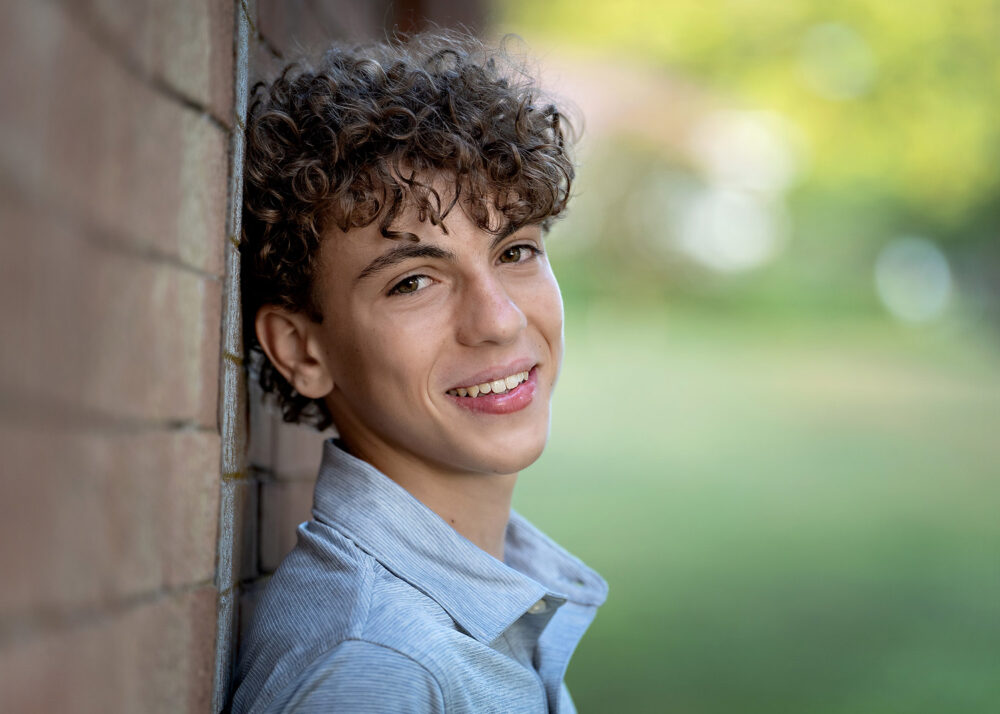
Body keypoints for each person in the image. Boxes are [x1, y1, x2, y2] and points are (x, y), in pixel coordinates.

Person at [230, 30, 607, 713]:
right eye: (412, 283)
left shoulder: (473, 603)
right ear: (301, 350)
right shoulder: (379, 666)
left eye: (516, 250)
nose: (497, 320)